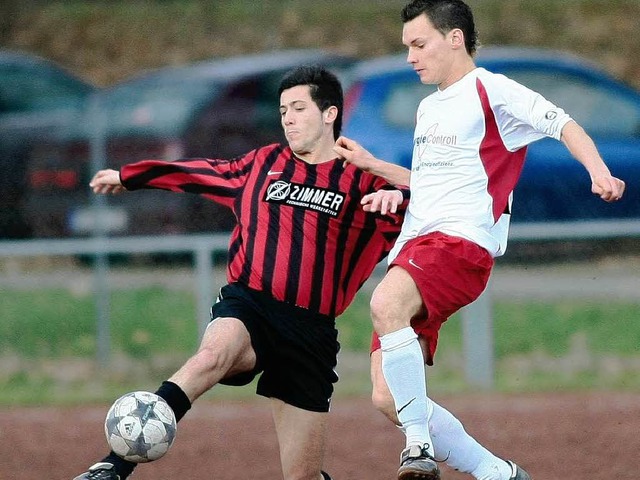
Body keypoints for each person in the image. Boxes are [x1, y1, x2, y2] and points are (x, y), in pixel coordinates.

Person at [333, 1, 627, 480]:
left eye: (419, 44)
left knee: (386, 304)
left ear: (455, 38)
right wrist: (376, 169)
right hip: (417, 249)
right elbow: (432, 184)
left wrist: (599, 171)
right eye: (406, 46)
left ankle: (418, 449)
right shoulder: (428, 108)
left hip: (460, 246)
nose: (410, 57)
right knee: (388, 397)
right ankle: (499, 473)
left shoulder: (492, 90)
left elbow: (563, 124)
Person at [73, 65, 409, 480]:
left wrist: (398, 195)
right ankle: (114, 464)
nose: (287, 118)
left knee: (302, 476)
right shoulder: (263, 162)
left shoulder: (364, 179)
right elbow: (197, 172)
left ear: (329, 113)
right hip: (249, 303)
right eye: (283, 109)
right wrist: (132, 176)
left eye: (299, 108)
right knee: (214, 354)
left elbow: (432, 205)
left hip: (311, 331)